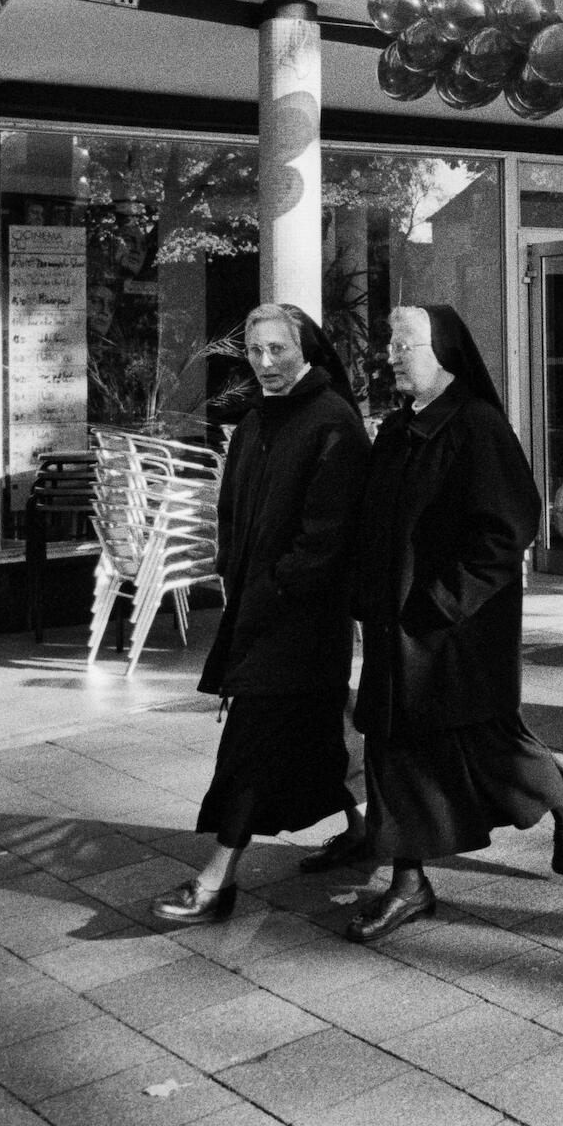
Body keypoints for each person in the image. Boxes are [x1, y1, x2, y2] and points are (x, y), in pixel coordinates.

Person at [346, 304, 563, 944]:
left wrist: (443, 603)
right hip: (395, 626)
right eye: (393, 344)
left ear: (446, 354)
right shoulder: (400, 429)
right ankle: (409, 881)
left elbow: (510, 527)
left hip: (454, 634)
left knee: (488, 748)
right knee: (393, 747)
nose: (394, 355)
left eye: (407, 345)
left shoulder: (477, 426)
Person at [151, 303, 371, 926]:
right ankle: (364, 825)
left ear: (307, 350)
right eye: (255, 352)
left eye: (278, 350)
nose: (266, 363)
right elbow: (232, 516)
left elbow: (325, 539)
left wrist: (270, 594)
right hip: (258, 609)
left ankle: (217, 878)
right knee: (319, 728)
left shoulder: (334, 424)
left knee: (250, 742)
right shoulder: (254, 422)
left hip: (299, 621)